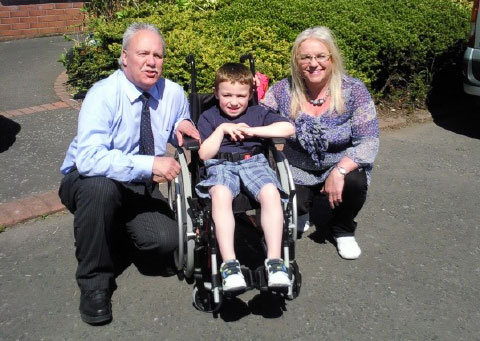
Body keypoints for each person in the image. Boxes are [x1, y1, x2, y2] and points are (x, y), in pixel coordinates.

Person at [58, 22, 200, 325]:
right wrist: (150, 165)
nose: (152, 62)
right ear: (125, 57)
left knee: (166, 242)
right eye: (143, 53)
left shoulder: (172, 92)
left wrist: (182, 126)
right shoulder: (104, 94)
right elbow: (89, 159)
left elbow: (179, 120)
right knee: (101, 190)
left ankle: (110, 230)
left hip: (137, 186)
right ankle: (94, 283)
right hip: (87, 181)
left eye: (158, 55)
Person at [261, 26, 379, 260]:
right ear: (297, 61)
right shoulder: (283, 90)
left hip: (339, 165)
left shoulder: (354, 90)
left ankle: (343, 228)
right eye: (305, 57)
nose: (313, 63)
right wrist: (250, 93)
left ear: (332, 58)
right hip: (296, 168)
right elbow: (258, 115)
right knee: (294, 206)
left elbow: (369, 140)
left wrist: (340, 170)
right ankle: (302, 211)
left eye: (320, 56)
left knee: (354, 182)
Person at [195, 63, 295, 292]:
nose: (233, 101)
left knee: (270, 191)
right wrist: (221, 130)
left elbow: (288, 128)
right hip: (220, 164)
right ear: (216, 93)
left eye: (240, 95)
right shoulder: (209, 117)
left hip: (254, 162)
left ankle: (275, 261)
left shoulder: (258, 113)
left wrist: (252, 131)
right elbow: (203, 154)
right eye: (227, 95)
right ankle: (230, 264)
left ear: (250, 94)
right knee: (220, 194)